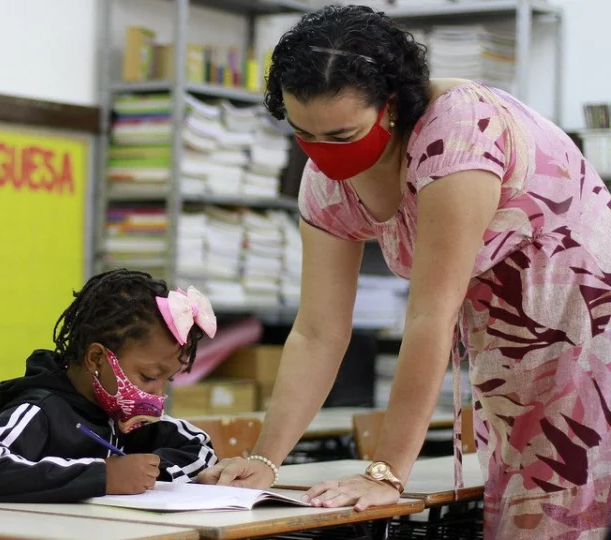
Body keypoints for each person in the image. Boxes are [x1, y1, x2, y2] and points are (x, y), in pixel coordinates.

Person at [195, 5, 611, 539]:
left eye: (344, 135)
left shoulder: (459, 132)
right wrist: (266, 460)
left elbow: (430, 316)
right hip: (509, 347)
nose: (324, 155)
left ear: (391, 105)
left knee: (565, 508)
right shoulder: (326, 181)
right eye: (305, 135)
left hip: (587, 328)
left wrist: (387, 472)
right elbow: (319, 331)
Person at [0, 269, 219, 503]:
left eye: (167, 380)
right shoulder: (40, 410)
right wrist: (103, 476)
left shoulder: (124, 415)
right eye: (148, 377)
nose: (158, 394)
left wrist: (147, 475)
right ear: (96, 359)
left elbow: (200, 448)